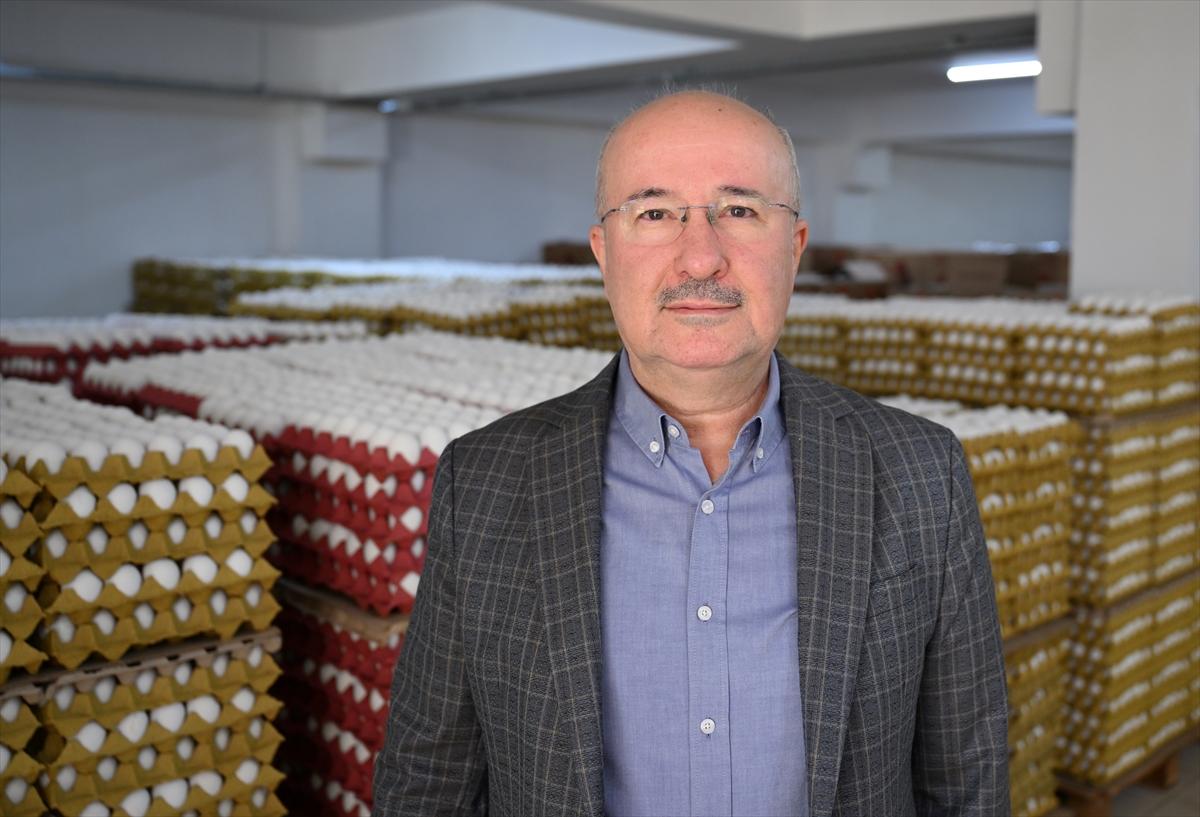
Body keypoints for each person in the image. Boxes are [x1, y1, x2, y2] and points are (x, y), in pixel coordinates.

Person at [374, 90, 1009, 816]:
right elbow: (428, 778)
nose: (701, 255)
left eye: (739, 210)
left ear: (794, 247)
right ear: (604, 253)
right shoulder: (487, 481)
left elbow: (968, 775)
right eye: (655, 214)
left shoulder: (920, 472)